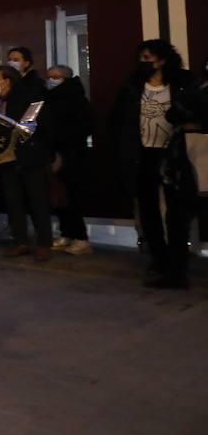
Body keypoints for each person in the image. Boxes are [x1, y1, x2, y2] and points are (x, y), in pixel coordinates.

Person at [110, 40, 198, 289]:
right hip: (143, 154)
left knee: (176, 214)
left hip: (175, 154)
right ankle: (159, 259)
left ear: (162, 59)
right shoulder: (132, 86)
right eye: (141, 57)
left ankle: (178, 266)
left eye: (148, 57)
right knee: (148, 211)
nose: (143, 61)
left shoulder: (182, 83)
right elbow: (119, 121)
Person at [0, 64, 55, 262]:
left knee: (37, 201)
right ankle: (20, 241)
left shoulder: (25, 97)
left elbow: (39, 126)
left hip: (29, 156)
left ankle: (44, 243)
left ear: (7, 80)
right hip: (6, 158)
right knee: (13, 202)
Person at [43, 65, 94, 255]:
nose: (51, 80)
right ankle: (66, 233)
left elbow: (84, 126)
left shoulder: (76, 100)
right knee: (60, 197)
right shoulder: (52, 99)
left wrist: (62, 148)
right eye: (49, 77)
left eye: (56, 77)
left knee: (72, 196)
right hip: (57, 153)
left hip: (72, 154)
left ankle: (80, 237)